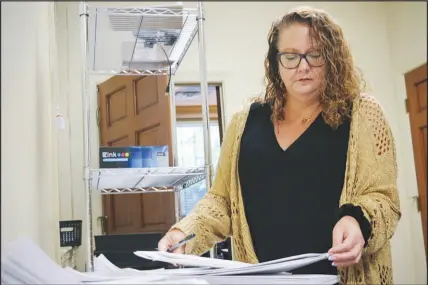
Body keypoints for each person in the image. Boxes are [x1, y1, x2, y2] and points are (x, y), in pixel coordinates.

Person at [158, 6, 401, 284]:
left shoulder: (362, 114)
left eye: (315, 54)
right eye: (290, 56)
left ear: (331, 58)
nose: (303, 66)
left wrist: (357, 221)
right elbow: (221, 202)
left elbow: (384, 200)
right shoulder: (243, 122)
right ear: (276, 61)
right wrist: (184, 234)